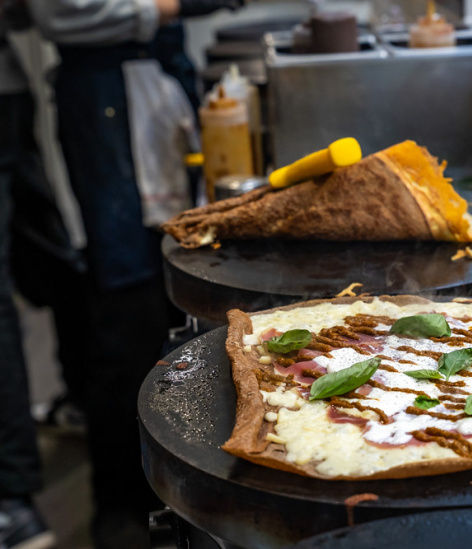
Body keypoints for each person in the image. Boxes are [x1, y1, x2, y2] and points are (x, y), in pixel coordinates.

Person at [23, 0, 241, 546]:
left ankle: (186, 488)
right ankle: (122, 502)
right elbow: (59, 14)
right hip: (105, 99)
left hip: (163, 82)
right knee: (123, 305)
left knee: (178, 287)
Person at [0, 3, 62, 548]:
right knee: (46, 255)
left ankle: (10, 500)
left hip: (9, 90)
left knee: (48, 259)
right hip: (9, 86)